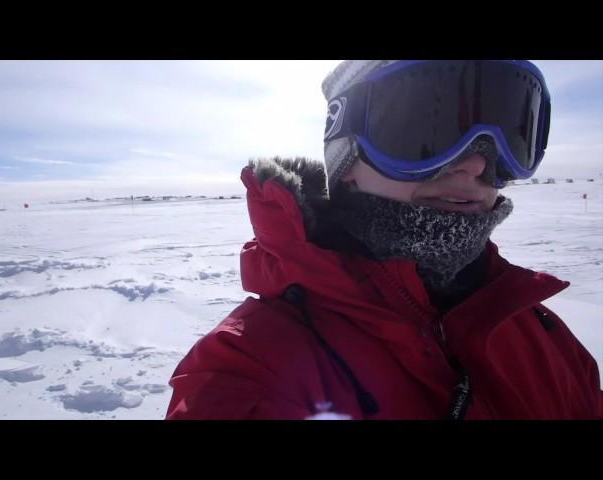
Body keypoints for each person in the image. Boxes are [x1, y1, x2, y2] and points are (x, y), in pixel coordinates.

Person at [166, 60, 602, 419]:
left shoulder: (543, 334)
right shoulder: (253, 370)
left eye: (509, 132)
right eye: (427, 130)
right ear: (347, 159)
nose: (473, 164)